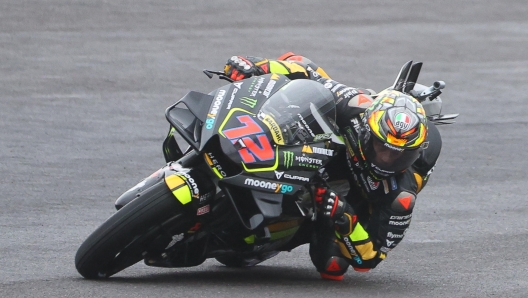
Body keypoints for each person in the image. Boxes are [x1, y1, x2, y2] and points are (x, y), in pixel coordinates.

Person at [222, 53, 442, 280]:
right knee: (299, 76)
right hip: (328, 154)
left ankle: (281, 233)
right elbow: (308, 73)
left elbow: (369, 259)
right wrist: (257, 66)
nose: (387, 159)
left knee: (332, 264)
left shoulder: (400, 194)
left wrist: (343, 215)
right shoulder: (358, 107)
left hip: (352, 202)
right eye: (382, 148)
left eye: (399, 155)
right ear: (367, 133)